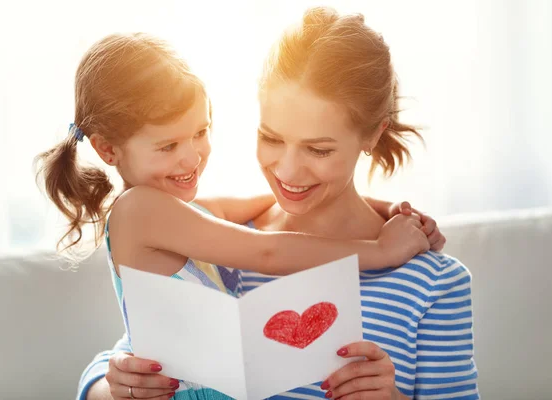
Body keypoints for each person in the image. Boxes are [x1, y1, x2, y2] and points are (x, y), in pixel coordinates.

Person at [78, 6, 477, 400]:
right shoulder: (221, 245)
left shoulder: (432, 281)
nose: (288, 171)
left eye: (318, 150)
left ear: (373, 135)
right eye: (271, 138)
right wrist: (113, 389)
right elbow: (125, 355)